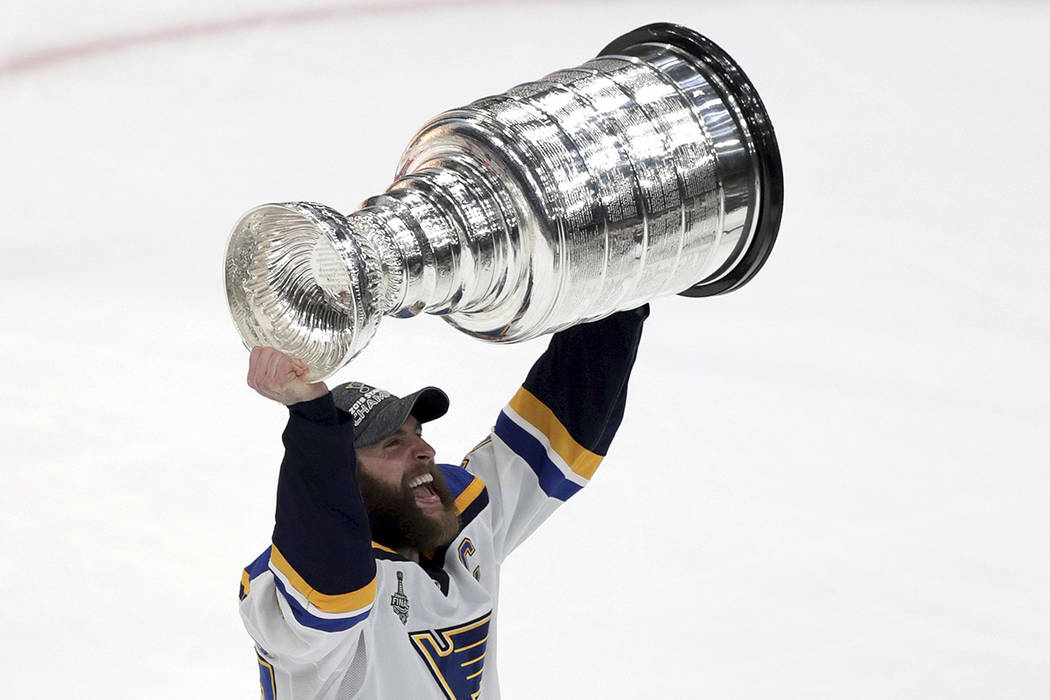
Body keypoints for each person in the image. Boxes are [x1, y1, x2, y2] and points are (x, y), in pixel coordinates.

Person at [238, 305, 648, 699]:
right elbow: (330, 578)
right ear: (343, 483)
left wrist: (619, 290)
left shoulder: (461, 516)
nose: (425, 450)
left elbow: (559, 430)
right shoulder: (295, 602)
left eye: (417, 433)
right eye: (393, 443)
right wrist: (312, 416)